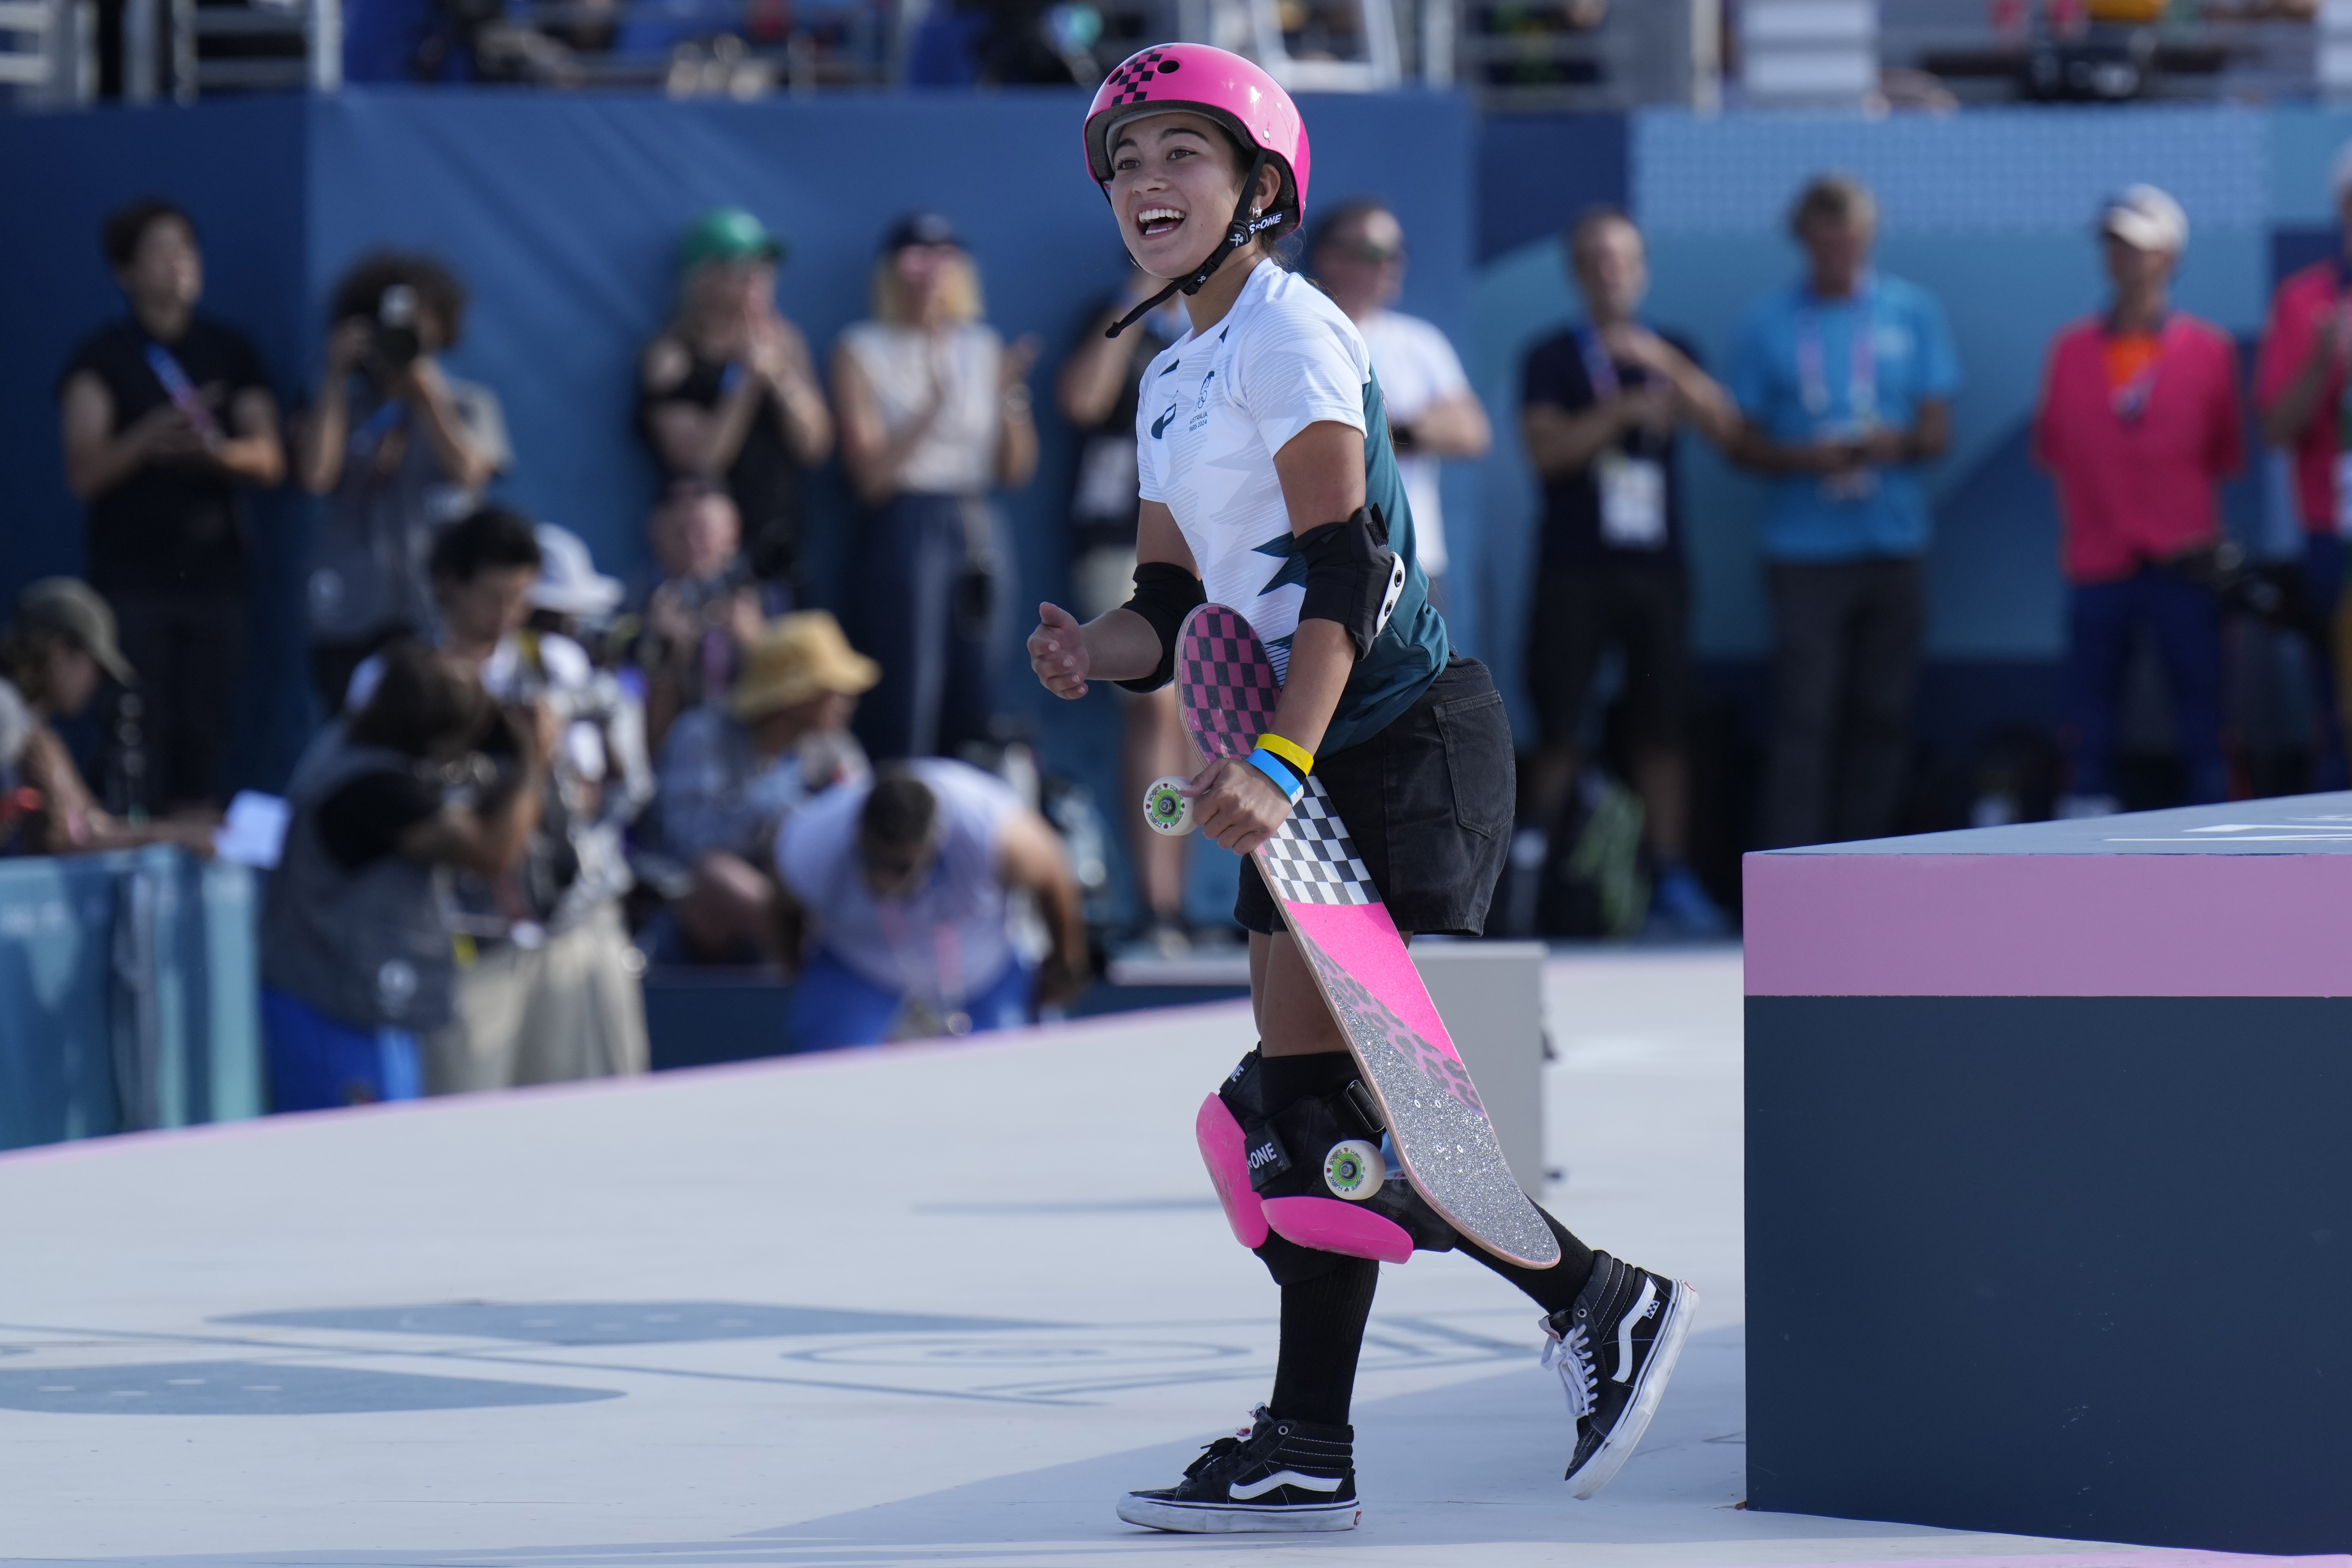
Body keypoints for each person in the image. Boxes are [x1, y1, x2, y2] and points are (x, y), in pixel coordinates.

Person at [1030, 44, 1692, 1531]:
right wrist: (1099, 648)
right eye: (1127, 161)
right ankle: (1308, 1441)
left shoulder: (1291, 332)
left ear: (1260, 186)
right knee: (1281, 1128)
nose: (1147, 183)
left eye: (1181, 156)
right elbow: (1168, 600)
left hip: (1393, 744)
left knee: (1349, 1112)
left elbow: (1354, 565)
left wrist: (1271, 760)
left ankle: (1599, 1300)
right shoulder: (1166, 372)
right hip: (1299, 772)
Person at [1519, 206, 1739, 935]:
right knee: (1559, 723)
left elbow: (1727, 428)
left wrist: (1665, 368)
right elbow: (1546, 453)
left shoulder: (1669, 347)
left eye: (1623, 259)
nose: (1611, 272)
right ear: (1577, 273)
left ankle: (1670, 873)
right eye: (1596, 260)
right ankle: (1540, 871)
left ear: (1640, 269)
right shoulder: (1550, 356)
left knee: (1664, 724)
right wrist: (1618, 415)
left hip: (1656, 570)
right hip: (1573, 568)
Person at [1729, 174, 1961, 849]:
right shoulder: (1767, 322)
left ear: (1867, 238)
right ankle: (1794, 869)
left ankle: (1866, 864)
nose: (1839, 252)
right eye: (1824, 240)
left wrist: (1892, 444)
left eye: (1850, 239)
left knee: (1883, 714)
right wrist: (1806, 459)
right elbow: (1739, 442)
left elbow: (1937, 432)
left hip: (1891, 542)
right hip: (1802, 550)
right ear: (1804, 242)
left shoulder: (1910, 311)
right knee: (1804, 717)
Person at [58, 198, 284, 815]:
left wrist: (213, 454)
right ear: (124, 271)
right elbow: (84, 472)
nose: (178, 264)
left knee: (203, 732)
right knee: (135, 731)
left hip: (216, 580)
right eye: (160, 252)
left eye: (186, 249)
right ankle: (133, 849)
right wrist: (147, 438)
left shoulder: (229, 350)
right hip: (131, 582)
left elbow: (269, 457)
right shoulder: (101, 358)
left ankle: (195, 855)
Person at [259, 640, 541, 1112]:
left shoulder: (345, 745)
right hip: (332, 1013)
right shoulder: (376, 789)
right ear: (439, 731)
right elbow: (493, 852)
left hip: (357, 1002)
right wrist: (533, 760)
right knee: (353, 1167)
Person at [2034, 188, 2243, 813]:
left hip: (2184, 561)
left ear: (2167, 257)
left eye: (2136, 248)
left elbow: (2221, 451)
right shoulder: (2068, 350)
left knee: (2202, 713)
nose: (2122, 261)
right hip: (2098, 560)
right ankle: (2083, 826)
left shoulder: (2208, 351)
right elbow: (2053, 448)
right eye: (2112, 247)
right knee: (2089, 716)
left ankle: (2217, 838)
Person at [833, 212, 1040, 761]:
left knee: (977, 671)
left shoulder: (983, 345)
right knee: (906, 677)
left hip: (976, 523)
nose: (930, 274)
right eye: (917, 260)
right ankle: (900, 807)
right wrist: (935, 399)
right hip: (903, 521)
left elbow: (1015, 472)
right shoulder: (861, 348)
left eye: (944, 259)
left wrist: (1010, 396)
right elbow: (870, 479)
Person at [295, 251, 512, 714]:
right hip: (349, 608)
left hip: (435, 609)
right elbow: (315, 475)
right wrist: (334, 377)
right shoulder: (338, 406)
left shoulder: (469, 405)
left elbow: (469, 472)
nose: (403, 337)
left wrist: (427, 395)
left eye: (418, 324)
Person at [1058, 265, 1196, 952]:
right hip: (1120, 539)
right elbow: (1081, 401)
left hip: (1211, 537)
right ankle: (1157, 905)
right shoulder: (1113, 311)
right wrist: (1133, 301)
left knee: (1197, 719)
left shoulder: (1225, 321)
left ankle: (1176, 901)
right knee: (1153, 705)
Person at [772, 761, 1087, 1050]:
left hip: (985, 968)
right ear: (857, 832)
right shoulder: (811, 844)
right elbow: (783, 906)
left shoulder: (992, 833)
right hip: (858, 967)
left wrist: (1065, 957)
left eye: (900, 867)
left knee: (1016, 1079)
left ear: (935, 843)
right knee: (828, 1078)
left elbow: (1053, 874)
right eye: (872, 859)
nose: (882, 880)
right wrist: (793, 965)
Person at [654, 610, 876, 963]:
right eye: (831, 689)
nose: (848, 700)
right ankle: (827, 959)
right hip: (700, 919)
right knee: (719, 875)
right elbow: (692, 847)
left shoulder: (836, 747)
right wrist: (773, 807)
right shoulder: (701, 735)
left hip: (805, 896)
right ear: (793, 697)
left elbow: (863, 835)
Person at [639, 208, 834, 597]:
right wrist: (745, 383)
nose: (756, 279)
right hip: (702, 559)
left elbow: (815, 446)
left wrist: (779, 378)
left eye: (764, 267)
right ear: (704, 278)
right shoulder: (671, 357)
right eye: (741, 267)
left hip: (779, 545)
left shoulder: (786, 343)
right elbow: (700, 462)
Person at [1307, 197, 1490, 606]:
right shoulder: (1304, 338)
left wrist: (1379, 436)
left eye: (1397, 253)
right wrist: (1416, 429)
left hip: (1413, 557)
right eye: (1376, 253)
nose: (1391, 264)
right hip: (1321, 557)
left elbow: (1471, 432)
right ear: (1330, 257)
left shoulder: (1419, 342)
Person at [2254, 141, 2352, 789]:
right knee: (2337, 703)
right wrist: (2323, 360)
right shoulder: (2303, 301)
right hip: (2332, 532)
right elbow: (2275, 428)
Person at [0, 579, 214, 858]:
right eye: (96, 669)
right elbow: (63, 843)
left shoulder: (41, 736)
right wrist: (176, 836)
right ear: (61, 652)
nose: (95, 684)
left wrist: (180, 831)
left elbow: (93, 825)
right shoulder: (7, 715)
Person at [630, 477, 788, 755]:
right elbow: (642, 740)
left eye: (704, 532)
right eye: (681, 532)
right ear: (655, 533)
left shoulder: (765, 598)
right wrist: (666, 657)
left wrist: (757, 645)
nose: (693, 544)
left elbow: (795, 709)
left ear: (733, 533)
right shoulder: (639, 604)